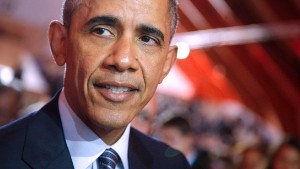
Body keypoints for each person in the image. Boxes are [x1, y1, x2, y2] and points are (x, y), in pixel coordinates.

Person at [0, 0, 191, 169]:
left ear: (166, 65)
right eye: (102, 31)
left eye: (147, 39)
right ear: (60, 43)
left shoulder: (172, 164)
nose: (123, 60)